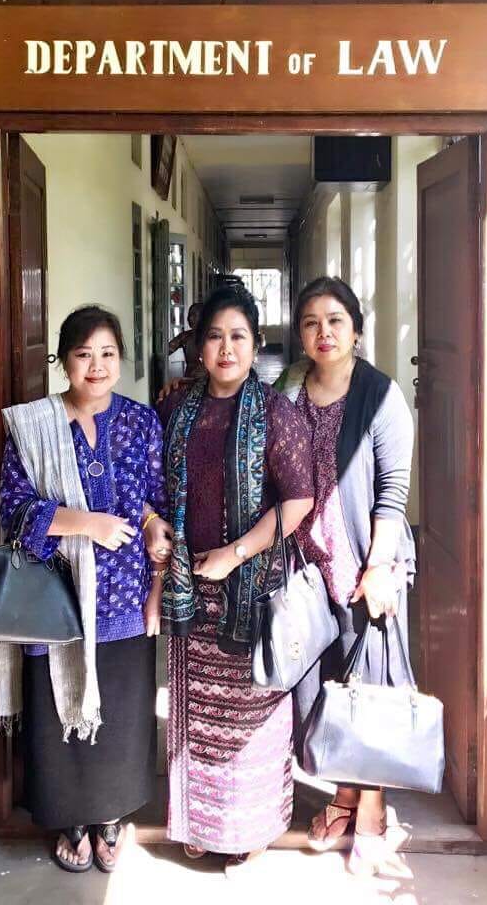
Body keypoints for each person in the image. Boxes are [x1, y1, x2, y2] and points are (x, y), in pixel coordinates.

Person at [0, 305, 173, 874]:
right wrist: (85, 523)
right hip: (56, 599)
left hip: (124, 596)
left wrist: (153, 541)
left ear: (120, 358)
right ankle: (71, 818)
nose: (96, 365)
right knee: (59, 711)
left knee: (121, 712)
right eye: (83, 354)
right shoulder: (35, 426)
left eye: (107, 353)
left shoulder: (141, 421)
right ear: (63, 361)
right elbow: (14, 510)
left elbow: (155, 502)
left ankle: (109, 817)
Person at [157, 284, 314, 876]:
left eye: (238, 337)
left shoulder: (276, 412)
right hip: (189, 587)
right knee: (196, 716)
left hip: (251, 591)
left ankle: (250, 827)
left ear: (256, 344)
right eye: (215, 337)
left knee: (252, 717)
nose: (226, 348)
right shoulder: (175, 409)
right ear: (199, 346)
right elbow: (152, 484)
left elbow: (298, 501)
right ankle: (198, 822)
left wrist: (236, 553)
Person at [275, 276, 416, 877]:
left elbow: (392, 492)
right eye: (311, 322)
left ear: (356, 329)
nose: (324, 332)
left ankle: (371, 815)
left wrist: (380, 565)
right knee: (322, 689)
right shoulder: (288, 391)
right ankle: (345, 795)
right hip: (307, 565)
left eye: (335, 320)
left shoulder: (380, 395)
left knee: (370, 689)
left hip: (364, 562)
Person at [168, 301, 204, 378]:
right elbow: (167, 350)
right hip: (190, 378)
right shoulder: (185, 336)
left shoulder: (213, 336)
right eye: (189, 315)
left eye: (194, 315)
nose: (190, 318)